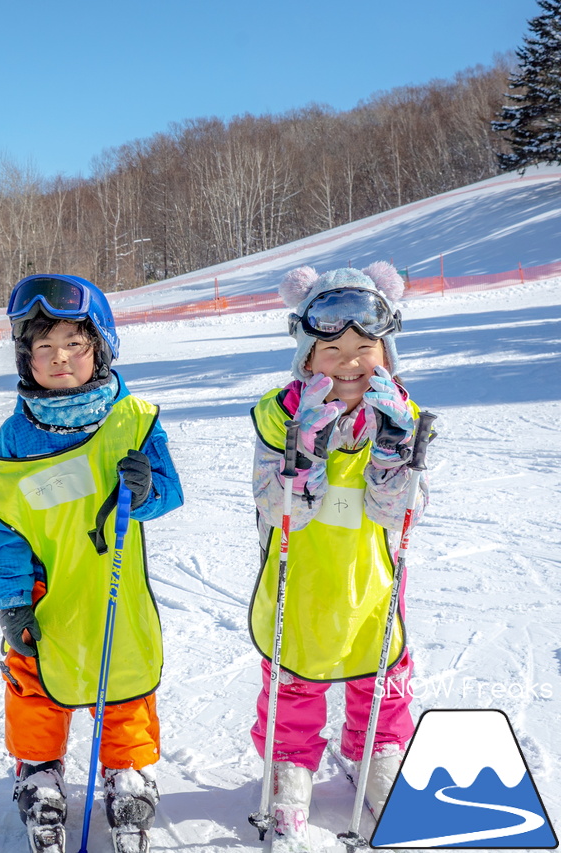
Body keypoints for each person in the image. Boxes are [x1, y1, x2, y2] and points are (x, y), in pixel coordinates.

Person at [0, 275, 183, 853]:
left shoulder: (134, 417)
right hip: (46, 582)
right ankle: (39, 769)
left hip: (115, 580)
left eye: (75, 344)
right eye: (44, 348)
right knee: (36, 674)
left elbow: (169, 493)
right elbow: (6, 523)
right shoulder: (18, 434)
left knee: (125, 672)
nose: (60, 358)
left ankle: (128, 768)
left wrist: (145, 491)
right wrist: (14, 600)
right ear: (26, 358)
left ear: (102, 349)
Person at [249, 263, 429, 846]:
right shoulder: (279, 416)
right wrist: (305, 454)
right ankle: (291, 767)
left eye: (365, 347)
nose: (350, 361)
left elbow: (400, 512)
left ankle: (375, 750)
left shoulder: (399, 414)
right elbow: (280, 509)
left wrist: (395, 455)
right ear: (305, 357)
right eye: (332, 348)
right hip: (300, 575)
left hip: (372, 574)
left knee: (379, 664)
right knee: (295, 672)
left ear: (386, 351)